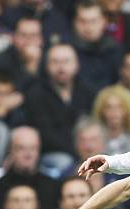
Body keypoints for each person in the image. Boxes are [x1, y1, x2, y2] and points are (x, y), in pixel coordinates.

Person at [24, 43, 95, 177]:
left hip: (88, 148)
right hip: (53, 154)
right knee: (65, 162)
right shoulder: (36, 94)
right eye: (55, 62)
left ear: (76, 64)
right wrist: (77, 151)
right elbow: (45, 135)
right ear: (46, 65)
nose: (61, 67)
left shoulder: (88, 91)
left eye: (66, 61)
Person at [0, 126, 59, 209]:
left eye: (33, 148)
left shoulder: (52, 186)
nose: (28, 154)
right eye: (21, 148)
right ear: (11, 150)